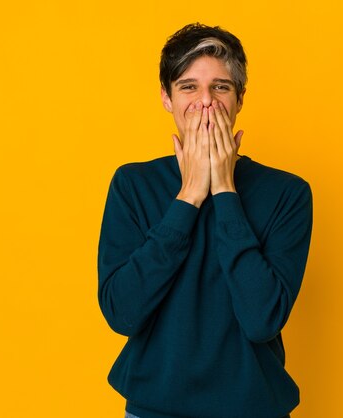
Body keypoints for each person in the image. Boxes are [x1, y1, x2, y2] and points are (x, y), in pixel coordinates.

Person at [97, 23, 313, 418]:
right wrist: (189, 196)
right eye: (188, 87)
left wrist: (225, 191)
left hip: (253, 408)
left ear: (239, 99)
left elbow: (261, 319)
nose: (205, 102)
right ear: (166, 98)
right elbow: (122, 313)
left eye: (221, 87)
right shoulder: (132, 185)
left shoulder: (288, 194)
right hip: (153, 410)